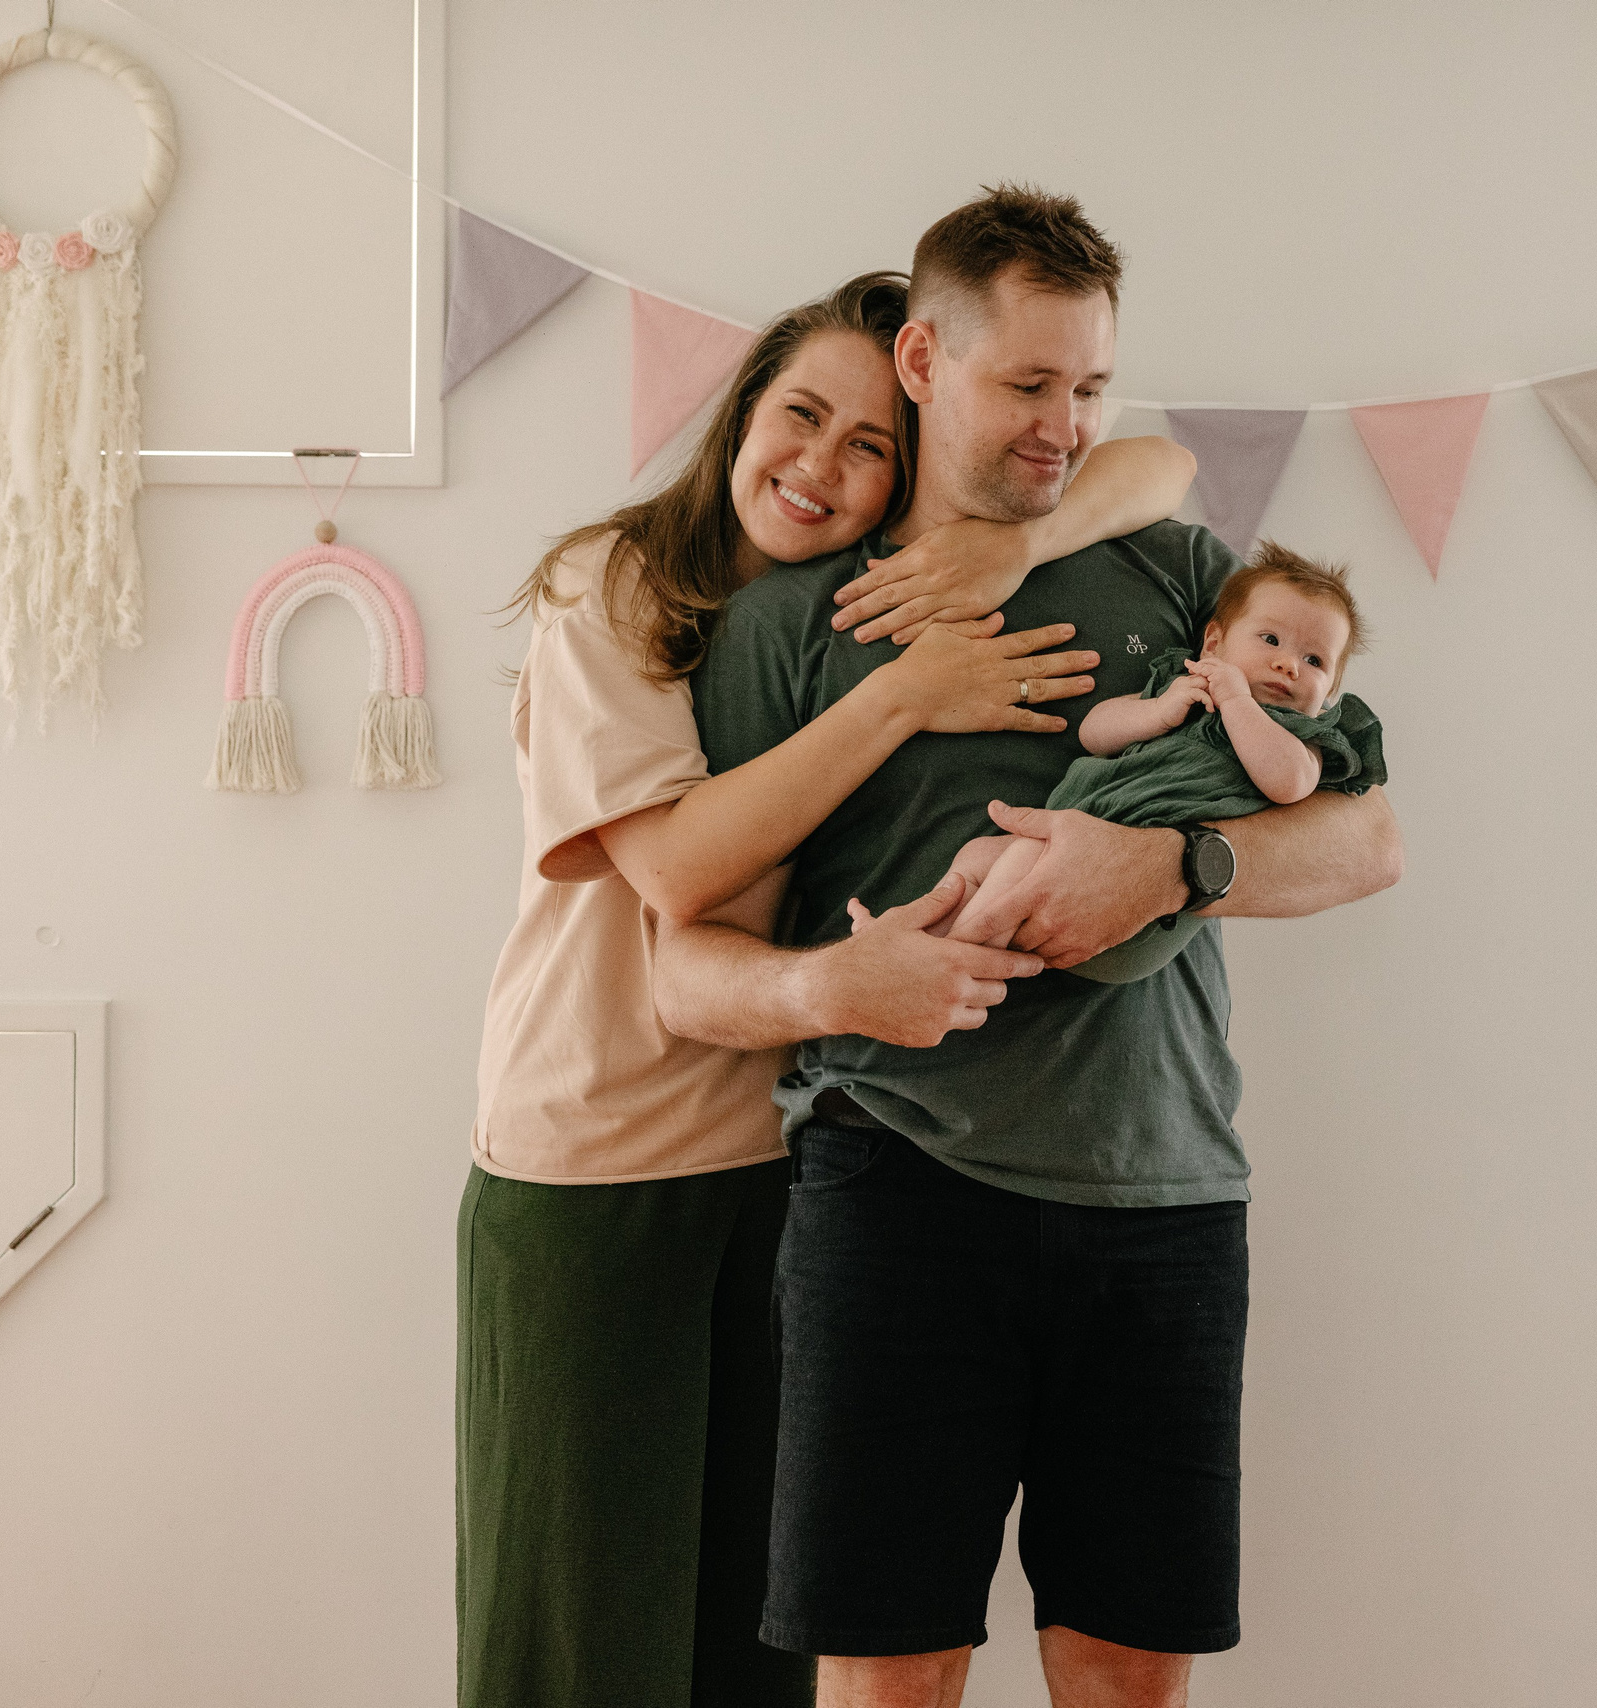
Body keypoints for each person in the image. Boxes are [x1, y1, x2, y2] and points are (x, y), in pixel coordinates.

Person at [659, 187, 1405, 1708]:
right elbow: (687, 957)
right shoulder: (789, 624)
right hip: (896, 1187)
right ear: (923, 363)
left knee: (1128, 1668)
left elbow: (1364, 841)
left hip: (1167, 1189)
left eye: (1089, 388)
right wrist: (823, 989)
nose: (1064, 425)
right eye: (1027, 385)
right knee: (894, 1672)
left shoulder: (1185, 574)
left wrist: (1168, 869)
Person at [460, 269, 1197, 1708]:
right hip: (597, 1156)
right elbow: (673, 870)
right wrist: (909, 694)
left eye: (871, 445)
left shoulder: (846, 602)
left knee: (753, 1637)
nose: (823, 466)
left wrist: (1021, 541)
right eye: (801, 417)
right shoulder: (615, 590)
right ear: (740, 412)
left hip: (785, 1160)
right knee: (582, 1637)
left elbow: (1159, 459)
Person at [931, 541, 1384, 982]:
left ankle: (952, 961)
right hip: (1081, 832)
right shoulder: (1181, 686)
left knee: (1022, 861)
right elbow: (1094, 733)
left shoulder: (1300, 737)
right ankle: (919, 933)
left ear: (1329, 693)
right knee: (978, 855)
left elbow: (1289, 783)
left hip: (1133, 908)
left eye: (1315, 660)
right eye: (1270, 639)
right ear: (1213, 644)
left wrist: (1236, 699)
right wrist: (1156, 712)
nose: (1289, 665)